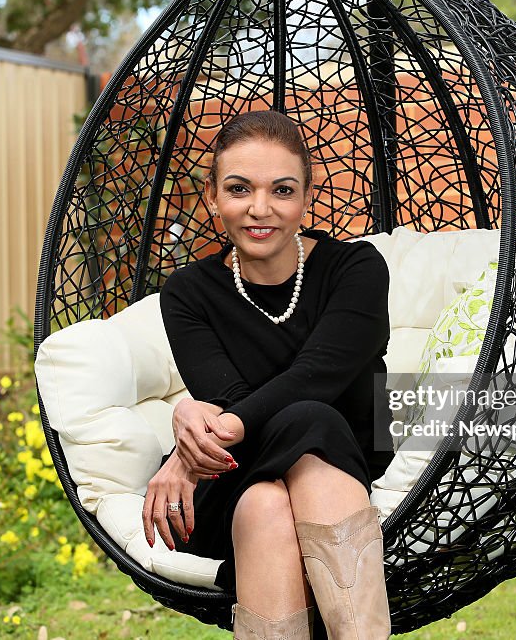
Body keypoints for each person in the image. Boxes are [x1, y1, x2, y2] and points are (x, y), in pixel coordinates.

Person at [142, 110, 395, 639]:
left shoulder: (357, 270)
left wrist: (193, 447)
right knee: (294, 436)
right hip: (229, 479)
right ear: (213, 198)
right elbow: (232, 397)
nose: (260, 209)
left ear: (306, 196)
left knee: (292, 455)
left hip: (339, 471)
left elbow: (315, 377)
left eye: (282, 190)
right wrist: (193, 413)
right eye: (239, 189)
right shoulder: (189, 293)